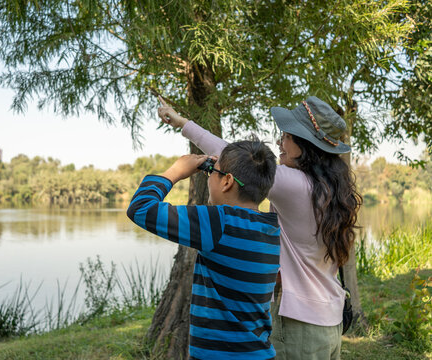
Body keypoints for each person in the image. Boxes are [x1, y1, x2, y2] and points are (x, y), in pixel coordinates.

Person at [157, 96, 362, 360]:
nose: (279, 142)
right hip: (329, 320)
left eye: (286, 136)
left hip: (299, 325)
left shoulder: (296, 185)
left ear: (306, 145)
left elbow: (234, 156)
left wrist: (182, 123)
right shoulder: (333, 188)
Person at [127, 139, 280, 359]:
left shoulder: (219, 222)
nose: (209, 178)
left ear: (227, 181)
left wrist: (177, 171)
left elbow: (140, 208)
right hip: (260, 353)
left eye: (211, 172)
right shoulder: (270, 228)